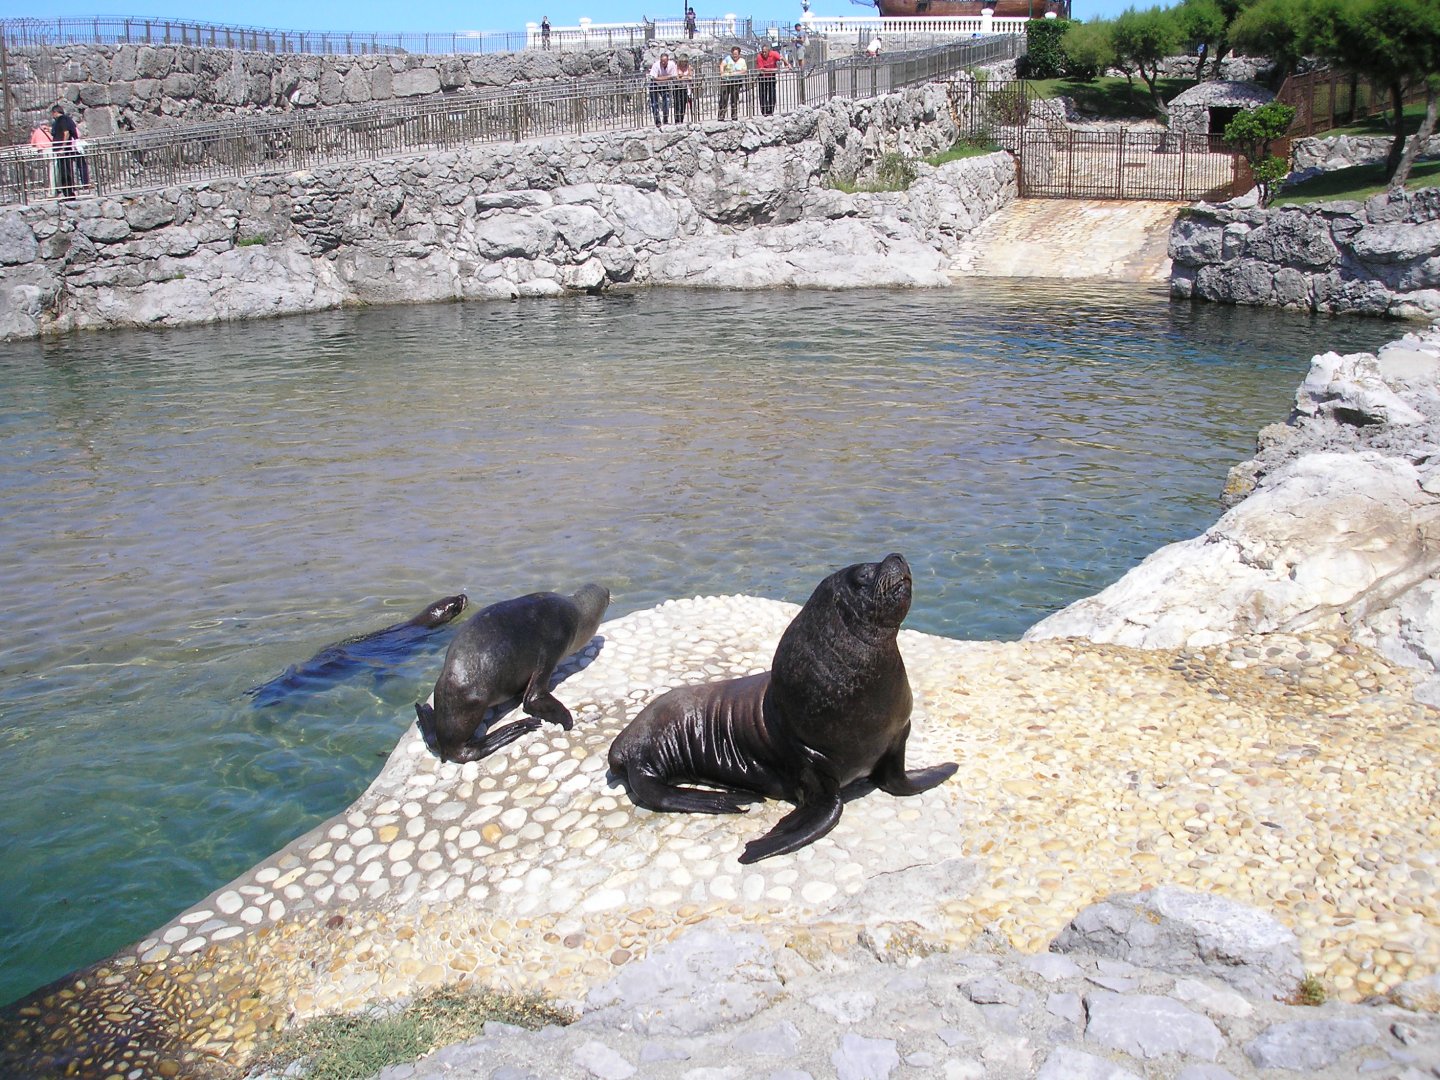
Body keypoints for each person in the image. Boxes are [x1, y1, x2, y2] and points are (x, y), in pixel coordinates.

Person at [49, 104, 80, 197]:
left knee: (65, 171)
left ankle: (68, 192)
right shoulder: (64, 120)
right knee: (65, 171)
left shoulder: (62, 120)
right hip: (62, 149)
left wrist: (62, 146)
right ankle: (68, 192)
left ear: (55, 112)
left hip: (63, 150)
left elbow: (66, 133)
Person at [753, 40, 789, 117]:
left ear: (769, 51)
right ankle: (764, 111)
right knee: (763, 94)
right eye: (763, 52)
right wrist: (774, 69)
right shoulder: (759, 56)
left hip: (771, 76)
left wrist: (787, 64)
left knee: (772, 93)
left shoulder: (773, 54)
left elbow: (781, 58)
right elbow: (761, 69)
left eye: (765, 52)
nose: (764, 53)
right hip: (763, 77)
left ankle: (770, 110)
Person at [648, 51, 678, 126]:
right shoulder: (656, 65)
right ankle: (657, 121)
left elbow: (674, 76)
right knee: (654, 104)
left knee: (667, 102)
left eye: (665, 61)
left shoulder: (672, 64)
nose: (663, 63)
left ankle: (665, 119)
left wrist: (662, 78)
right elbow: (654, 78)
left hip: (664, 85)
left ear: (668, 60)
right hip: (654, 85)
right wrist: (668, 77)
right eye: (662, 61)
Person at [718, 44, 746, 121]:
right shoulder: (728, 58)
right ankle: (721, 115)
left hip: (736, 81)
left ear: (739, 54)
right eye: (733, 54)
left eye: (736, 54)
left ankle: (734, 115)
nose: (734, 56)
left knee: (734, 98)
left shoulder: (742, 61)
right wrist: (722, 72)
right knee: (724, 98)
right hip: (726, 81)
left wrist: (736, 73)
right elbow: (722, 65)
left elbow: (744, 70)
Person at [672, 55, 695, 124]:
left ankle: (681, 119)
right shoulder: (676, 67)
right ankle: (677, 120)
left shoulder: (689, 67)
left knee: (683, 105)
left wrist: (683, 77)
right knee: (677, 104)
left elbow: (691, 77)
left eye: (685, 61)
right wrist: (686, 77)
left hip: (685, 87)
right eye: (682, 61)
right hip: (677, 87)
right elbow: (677, 78)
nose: (684, 63)